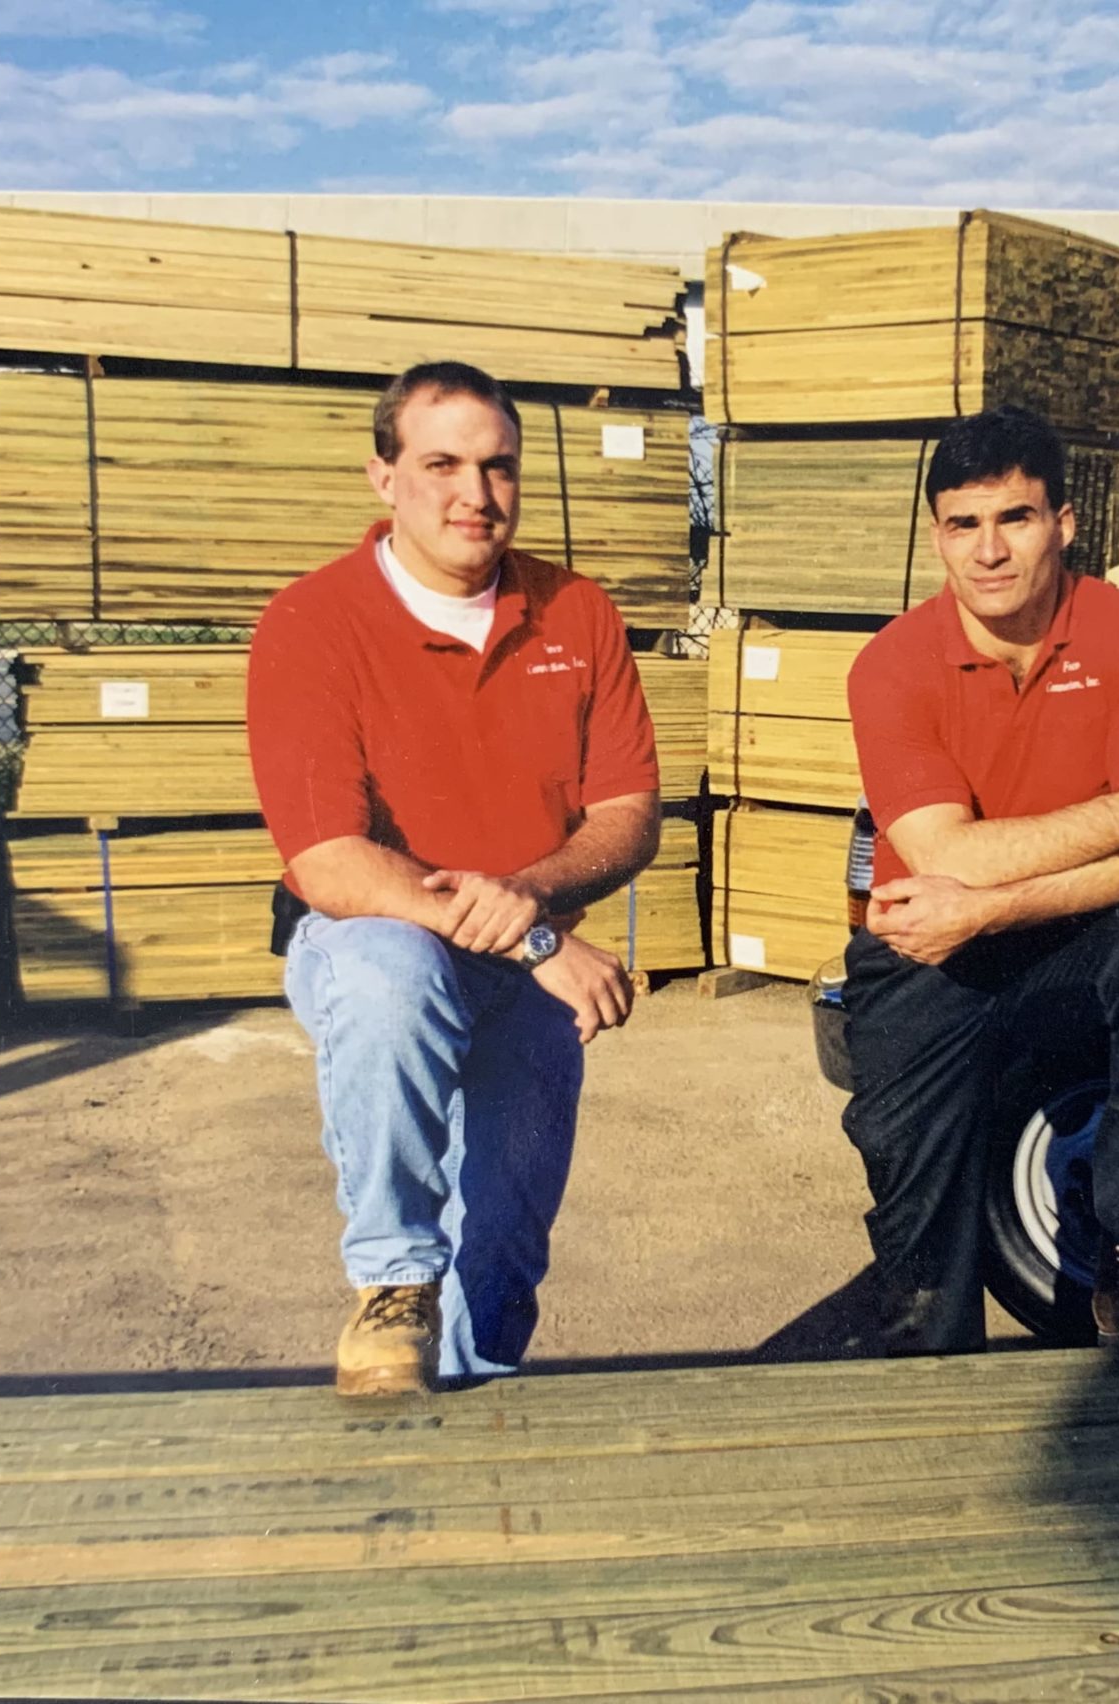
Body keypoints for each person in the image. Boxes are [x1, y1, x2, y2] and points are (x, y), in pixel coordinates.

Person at [246, 359, 661, 1396]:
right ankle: (392, 1282)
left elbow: (627, 815)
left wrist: (529, 914)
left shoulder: (576, 613)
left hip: (529, 962)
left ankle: (469, 1412)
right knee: (392, 976)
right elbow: (330, 861)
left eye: (497, 467)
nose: (475, 494)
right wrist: (534, 934)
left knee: (507, 1244)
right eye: (441, 465)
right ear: (383, 477)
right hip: (377, 932)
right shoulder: (312, 622)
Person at [840, 405, 1119, 1374]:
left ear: (1062, 522)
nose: (988, 551)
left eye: (1013, 519)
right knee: (920, 1267)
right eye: (963, 525)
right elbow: (950, 855)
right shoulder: (890, 665)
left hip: (1067, 935)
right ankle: (934, 1376)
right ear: (937, 533)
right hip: (929, 951)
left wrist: (993, 903)